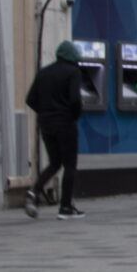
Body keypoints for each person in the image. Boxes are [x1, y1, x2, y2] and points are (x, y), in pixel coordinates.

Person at [24, 40, 87, 219]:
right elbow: (75, 100)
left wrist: (45, 113)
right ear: (73, 56)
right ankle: (66, 206)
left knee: (55, 162)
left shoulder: (44, 72)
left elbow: (30, 99)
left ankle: (34, 191)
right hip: (65, 123)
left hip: (46, 124)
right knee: (70, 165)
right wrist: (73, 115)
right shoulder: (73, 72)